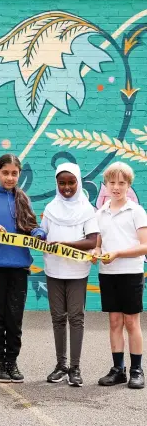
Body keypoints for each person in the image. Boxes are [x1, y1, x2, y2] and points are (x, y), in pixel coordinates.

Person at [0, 153, 46, 384]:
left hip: (19, 268)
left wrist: (38, 233)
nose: (10, 178)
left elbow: (32, 227)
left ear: (19, 175)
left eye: (14, 173)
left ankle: (12, 361)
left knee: (15, 317)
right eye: (6, 173)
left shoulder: (23, 199)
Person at [40, 163, 98, 387]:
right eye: (62, 183)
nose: (66, 187)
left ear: (78, 182)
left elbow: (92, 240)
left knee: (76, 318)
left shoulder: (87, 209)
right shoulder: (50, 208)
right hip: (53, 269)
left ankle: (75, 367)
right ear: (56, 184)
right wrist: (37, 234)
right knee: (57, 318)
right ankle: (60, 365)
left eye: (71, 182)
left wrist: (66, 244)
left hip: (77, 271)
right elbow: (42, 234)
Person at [94, 162, 146, 390]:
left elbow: (144, 246)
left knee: (131, 322)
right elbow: (97, 245)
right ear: (105, 185)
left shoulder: (136, 211)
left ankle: (137, 370)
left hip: (131, 273)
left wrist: (117, 254)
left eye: (121, 183)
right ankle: (118, 370)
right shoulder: (100, 213)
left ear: (128, 186)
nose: (116, 187)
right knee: (114, 321)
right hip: (108, 273)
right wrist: (96, 252)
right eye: (112, 182)